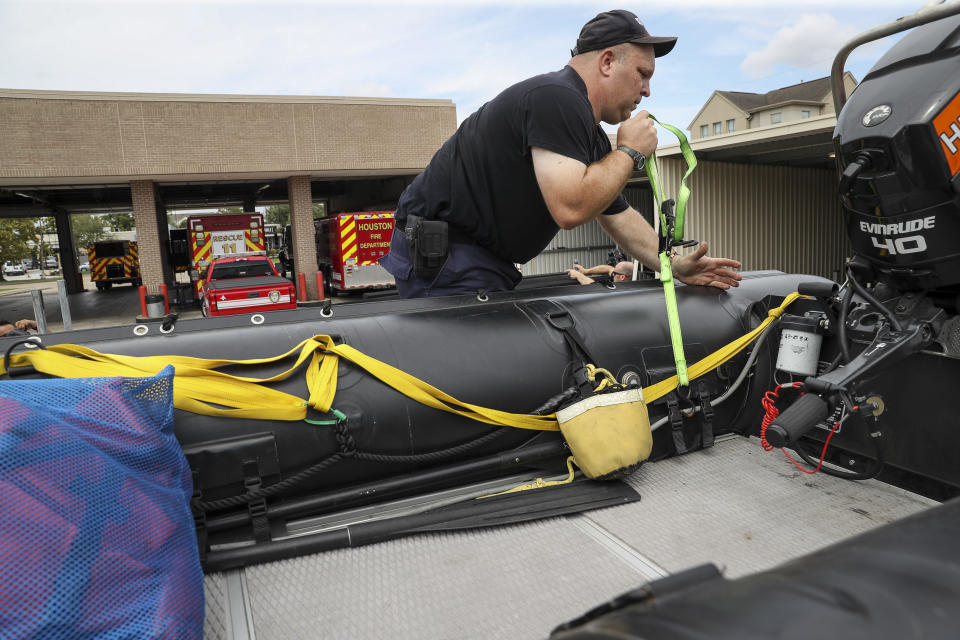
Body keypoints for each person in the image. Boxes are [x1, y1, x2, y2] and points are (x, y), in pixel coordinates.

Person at [380, 9, 742, 298]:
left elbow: (618, 216)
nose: (647, 91)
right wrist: (630, 151)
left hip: (477, 261)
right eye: (642, 74)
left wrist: (674, 266)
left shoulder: (583, 127)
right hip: (450, 260)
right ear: (607, 62)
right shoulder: (556, 98)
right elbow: (570, 208)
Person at [567, 261, 636, 285]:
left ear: (622, 277)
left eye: (614, 273)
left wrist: (578, 275)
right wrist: (585, 271)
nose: (612, 274)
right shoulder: (621, 276)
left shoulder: (620, 290)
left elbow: (594, 287)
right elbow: (608, 269)